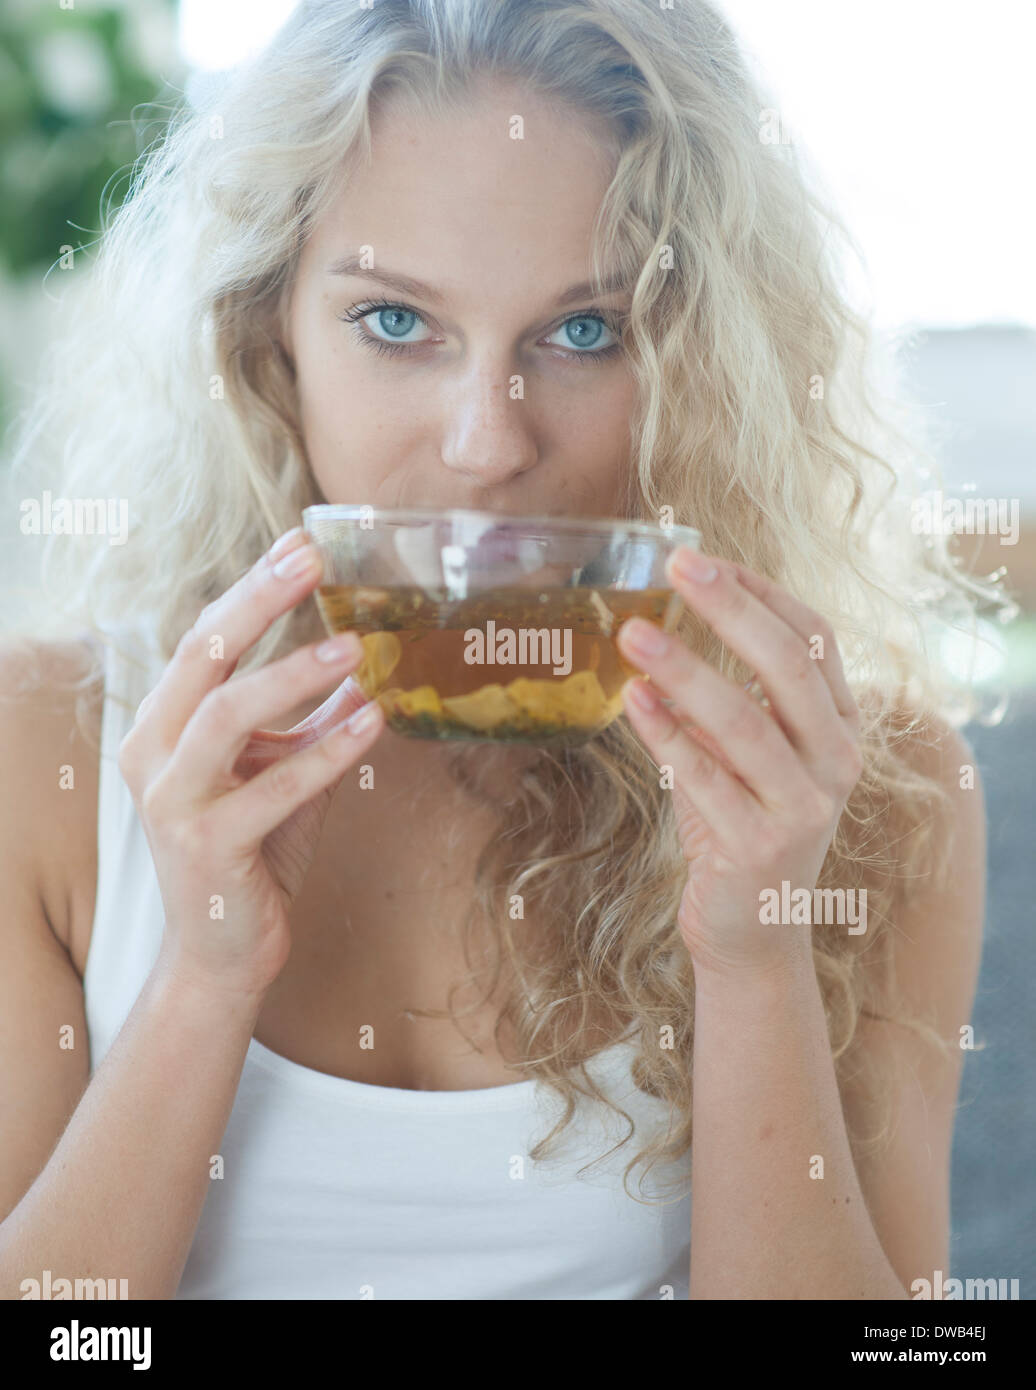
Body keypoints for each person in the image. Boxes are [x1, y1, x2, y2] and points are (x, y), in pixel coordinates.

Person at [0, 0, 999, 1300]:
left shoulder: (859, 786)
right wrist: (200, 978)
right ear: (268, 342)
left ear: (700, 365)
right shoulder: (50, 751)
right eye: (396, 324)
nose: (487, 445)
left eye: (584, 332)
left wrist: (756, 959)